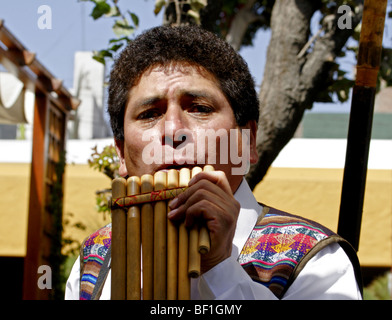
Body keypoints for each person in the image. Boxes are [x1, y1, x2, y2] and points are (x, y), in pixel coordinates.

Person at [65, 25, 363, 300]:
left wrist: (220, 268)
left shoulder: (317, 261)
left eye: (199, 108)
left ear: (246, 141)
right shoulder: (95, 260)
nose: (173, 130)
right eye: (149, 114)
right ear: (121, 152)